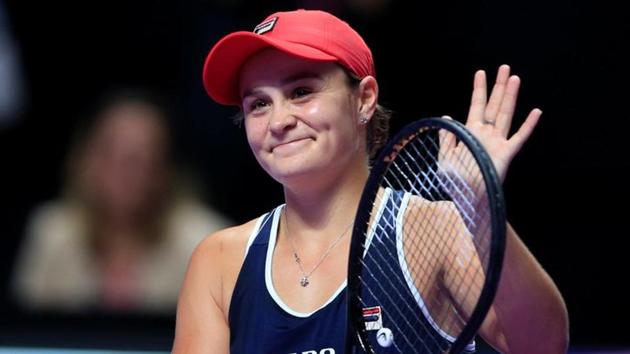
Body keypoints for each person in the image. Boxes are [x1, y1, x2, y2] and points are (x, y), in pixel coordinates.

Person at [173, 9, 568, 353]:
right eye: (258, 103)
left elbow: (541, 345)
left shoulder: (435, 230)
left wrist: (482, 210)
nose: (278, 122)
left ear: (364, 99)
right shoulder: (220, 262)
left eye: (301, 91)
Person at [12, 89, 232, 313]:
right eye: (112, 153)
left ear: (165, 169)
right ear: (84, 160)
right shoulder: (51, 232)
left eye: (141, 157)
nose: (125, 172)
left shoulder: (205, 241)